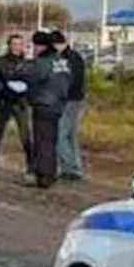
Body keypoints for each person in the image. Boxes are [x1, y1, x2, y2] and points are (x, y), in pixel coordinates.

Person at [25, 29, 71, 189]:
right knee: (51, 141)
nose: (34, 49)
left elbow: (31, 78)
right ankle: (50, 173)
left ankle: (43, 176)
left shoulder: (42, 63)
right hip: (58, 105)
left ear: (41, 46)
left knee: (42, 141)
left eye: (35, 46)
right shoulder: (62, 62)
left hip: (43, 104)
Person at [0, 34, 33, 175]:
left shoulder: (27, 63)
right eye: (14, 44)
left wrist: (28, 99)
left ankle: (31, 165)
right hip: (5, 102)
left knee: (25, 135)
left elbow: (31, 83)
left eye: (19, 44)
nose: (17, 47)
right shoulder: (1, 61)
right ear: (9, 45)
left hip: (21, 104)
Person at [53, 30, 86, 181]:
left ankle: (70, 168)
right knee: (71, 135)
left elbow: (71, 80)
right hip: (75, 99)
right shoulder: (74, 57)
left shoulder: (69, 59)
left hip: (70, 100)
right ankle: (75, 168)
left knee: (60, 134)